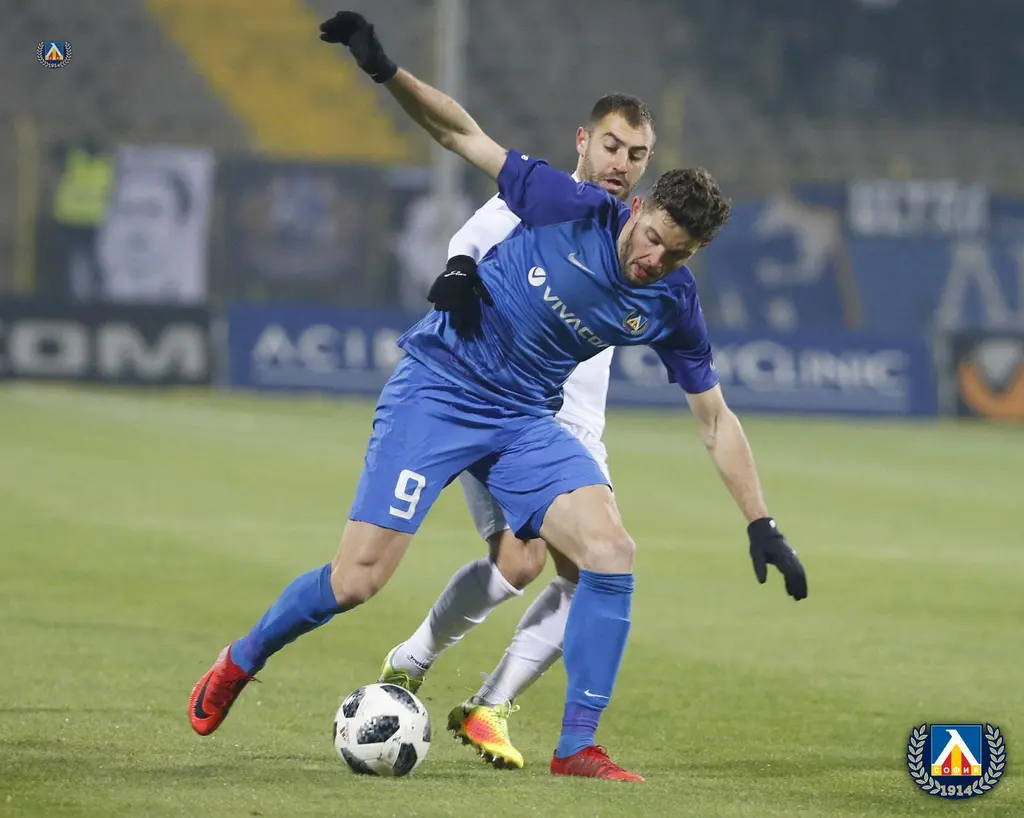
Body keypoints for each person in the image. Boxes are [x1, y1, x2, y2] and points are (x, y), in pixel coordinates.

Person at [188, 11, 808, 783]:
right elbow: (460, 134)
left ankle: (574, 747)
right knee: (358, 580)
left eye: (674, 254)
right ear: (639, 207)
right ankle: (242, 658)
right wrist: (384, 70)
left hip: (522, 420)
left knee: (609, 551)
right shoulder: (566, 203)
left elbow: (714, 420)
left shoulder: (672, 302)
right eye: (653, 237)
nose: (652, 260)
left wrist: (761, 522)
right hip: (442, 389)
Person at [376, 92, 658, 771]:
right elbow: (471, 239)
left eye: (637, 154)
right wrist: (458, 270)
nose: (621, 163)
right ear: (584, 140)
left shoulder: (636, 231)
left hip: (581, 425)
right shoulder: (542, 195)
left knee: (585, 571)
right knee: (530, 561)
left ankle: (481, 701)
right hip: (510, 404)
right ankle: (421, 663)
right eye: (612, 146)